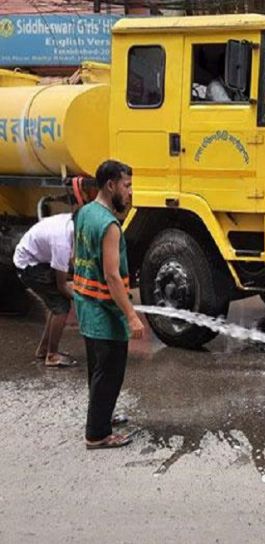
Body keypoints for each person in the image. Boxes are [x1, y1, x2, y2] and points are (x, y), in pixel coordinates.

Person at [74, 160, 144, 450]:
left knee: (98, 369)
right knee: (109, 373)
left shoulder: (85, 213)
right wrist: (131, 315)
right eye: (127, 186)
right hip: (105, 311)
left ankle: (102, 416)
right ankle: (97, 434)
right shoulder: (109, 226)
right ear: (111, 185)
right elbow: (112, 276)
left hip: (87, 305)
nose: (130, 192)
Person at [13, 213, 78, 368]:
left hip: (34, 259)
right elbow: (62, 286)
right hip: (28, 266)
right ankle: (52, 355)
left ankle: (43, 349)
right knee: (61, 306)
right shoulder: (62, 242)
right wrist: (83, 300)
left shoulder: (71, 221)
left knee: (55, 304)